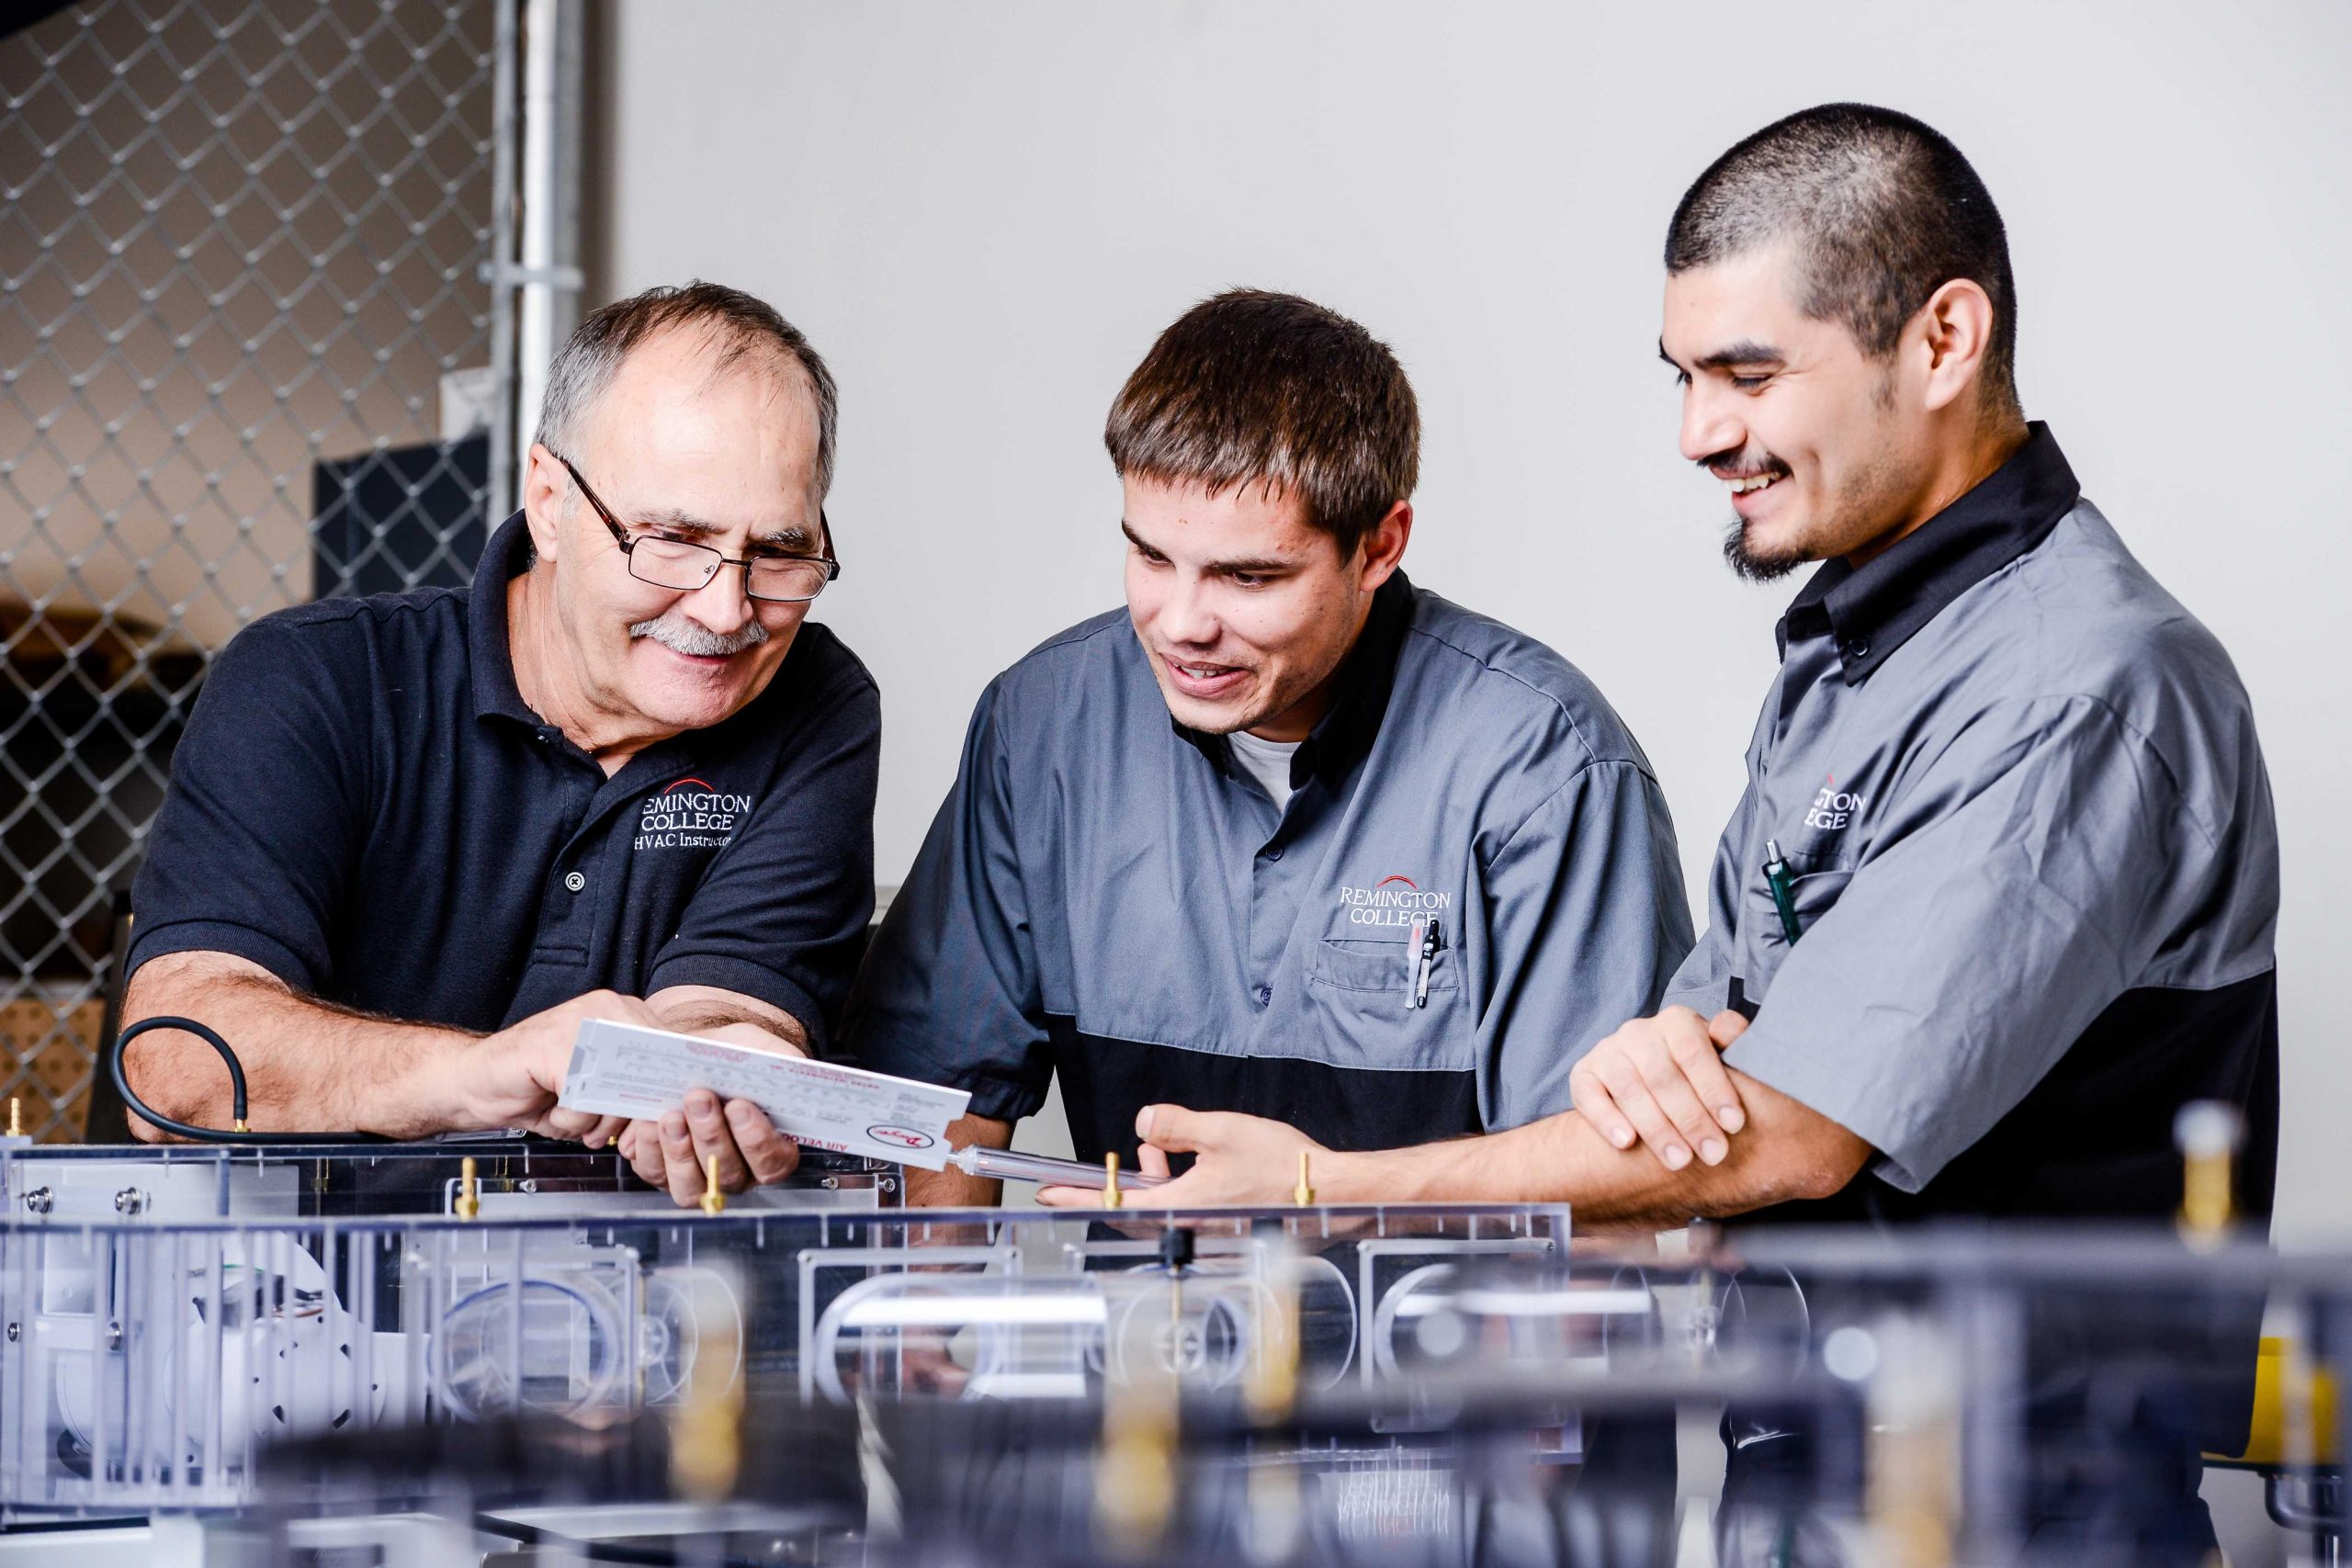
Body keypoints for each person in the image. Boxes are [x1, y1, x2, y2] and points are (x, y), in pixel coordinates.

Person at [1050, 109, 2278, 1555]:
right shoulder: (1855, 654)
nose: (1700, 431)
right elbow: (1680, 1097)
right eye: (1684, 377)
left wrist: (1321, 1190)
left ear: (1944, 340)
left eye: (1748, 375)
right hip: (1806, 1479)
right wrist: (1659, 1076)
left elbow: (1787, 1136)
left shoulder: (2081, 683)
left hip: (2024, 1507)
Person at [848, 288, 1693, 1206]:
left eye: (1247, 577)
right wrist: (939, 1299)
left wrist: (1316, 1191)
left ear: (1379, 547)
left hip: (1447, 1306)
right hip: (1145, 1304)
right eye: (1151, 556)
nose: (1180, 624)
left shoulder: (1547, 766)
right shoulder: (1040, 727)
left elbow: (1612, 1177)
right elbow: (938, 1105)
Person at [122, 282, 881, 1208]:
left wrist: (711, 1074)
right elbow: (180, 1066)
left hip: (602, 1277)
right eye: (672, 540)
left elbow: (717, 1014)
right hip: (278, 1268)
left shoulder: (816, 701)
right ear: (551, 502)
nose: (726, 611)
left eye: (778, 553)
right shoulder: (310, 680)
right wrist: (485, 1072)